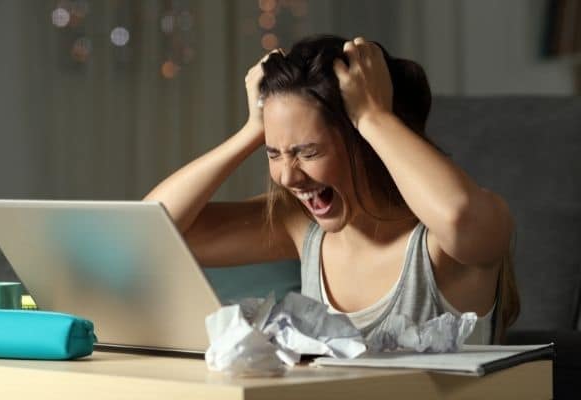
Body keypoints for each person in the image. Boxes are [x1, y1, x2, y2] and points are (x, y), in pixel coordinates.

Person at [144, 34, 519, 344]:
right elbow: (148, 236)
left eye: (307, 152)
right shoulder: (301, 227)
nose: (288, 177)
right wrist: (253, 130)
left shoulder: (440, 246)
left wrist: (374, 116)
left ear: (368, 142)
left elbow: (460, 217)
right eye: (274, 153)